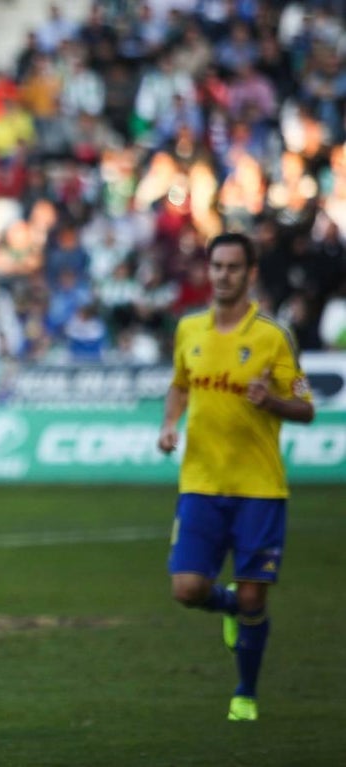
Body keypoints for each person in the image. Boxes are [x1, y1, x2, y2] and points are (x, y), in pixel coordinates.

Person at [157, 232, 315, 722]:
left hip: (259, 489)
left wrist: (272, 402)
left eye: (232, 267)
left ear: (249, 274)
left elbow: (306, 406)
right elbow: (180, 385)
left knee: (254, 596)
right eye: (216, 266)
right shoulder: (189, 330)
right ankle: (223, 607)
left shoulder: (273, 335)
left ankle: (245, 692)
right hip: (201, 484)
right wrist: (169, 424)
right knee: (187, 589)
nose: (222, 275)